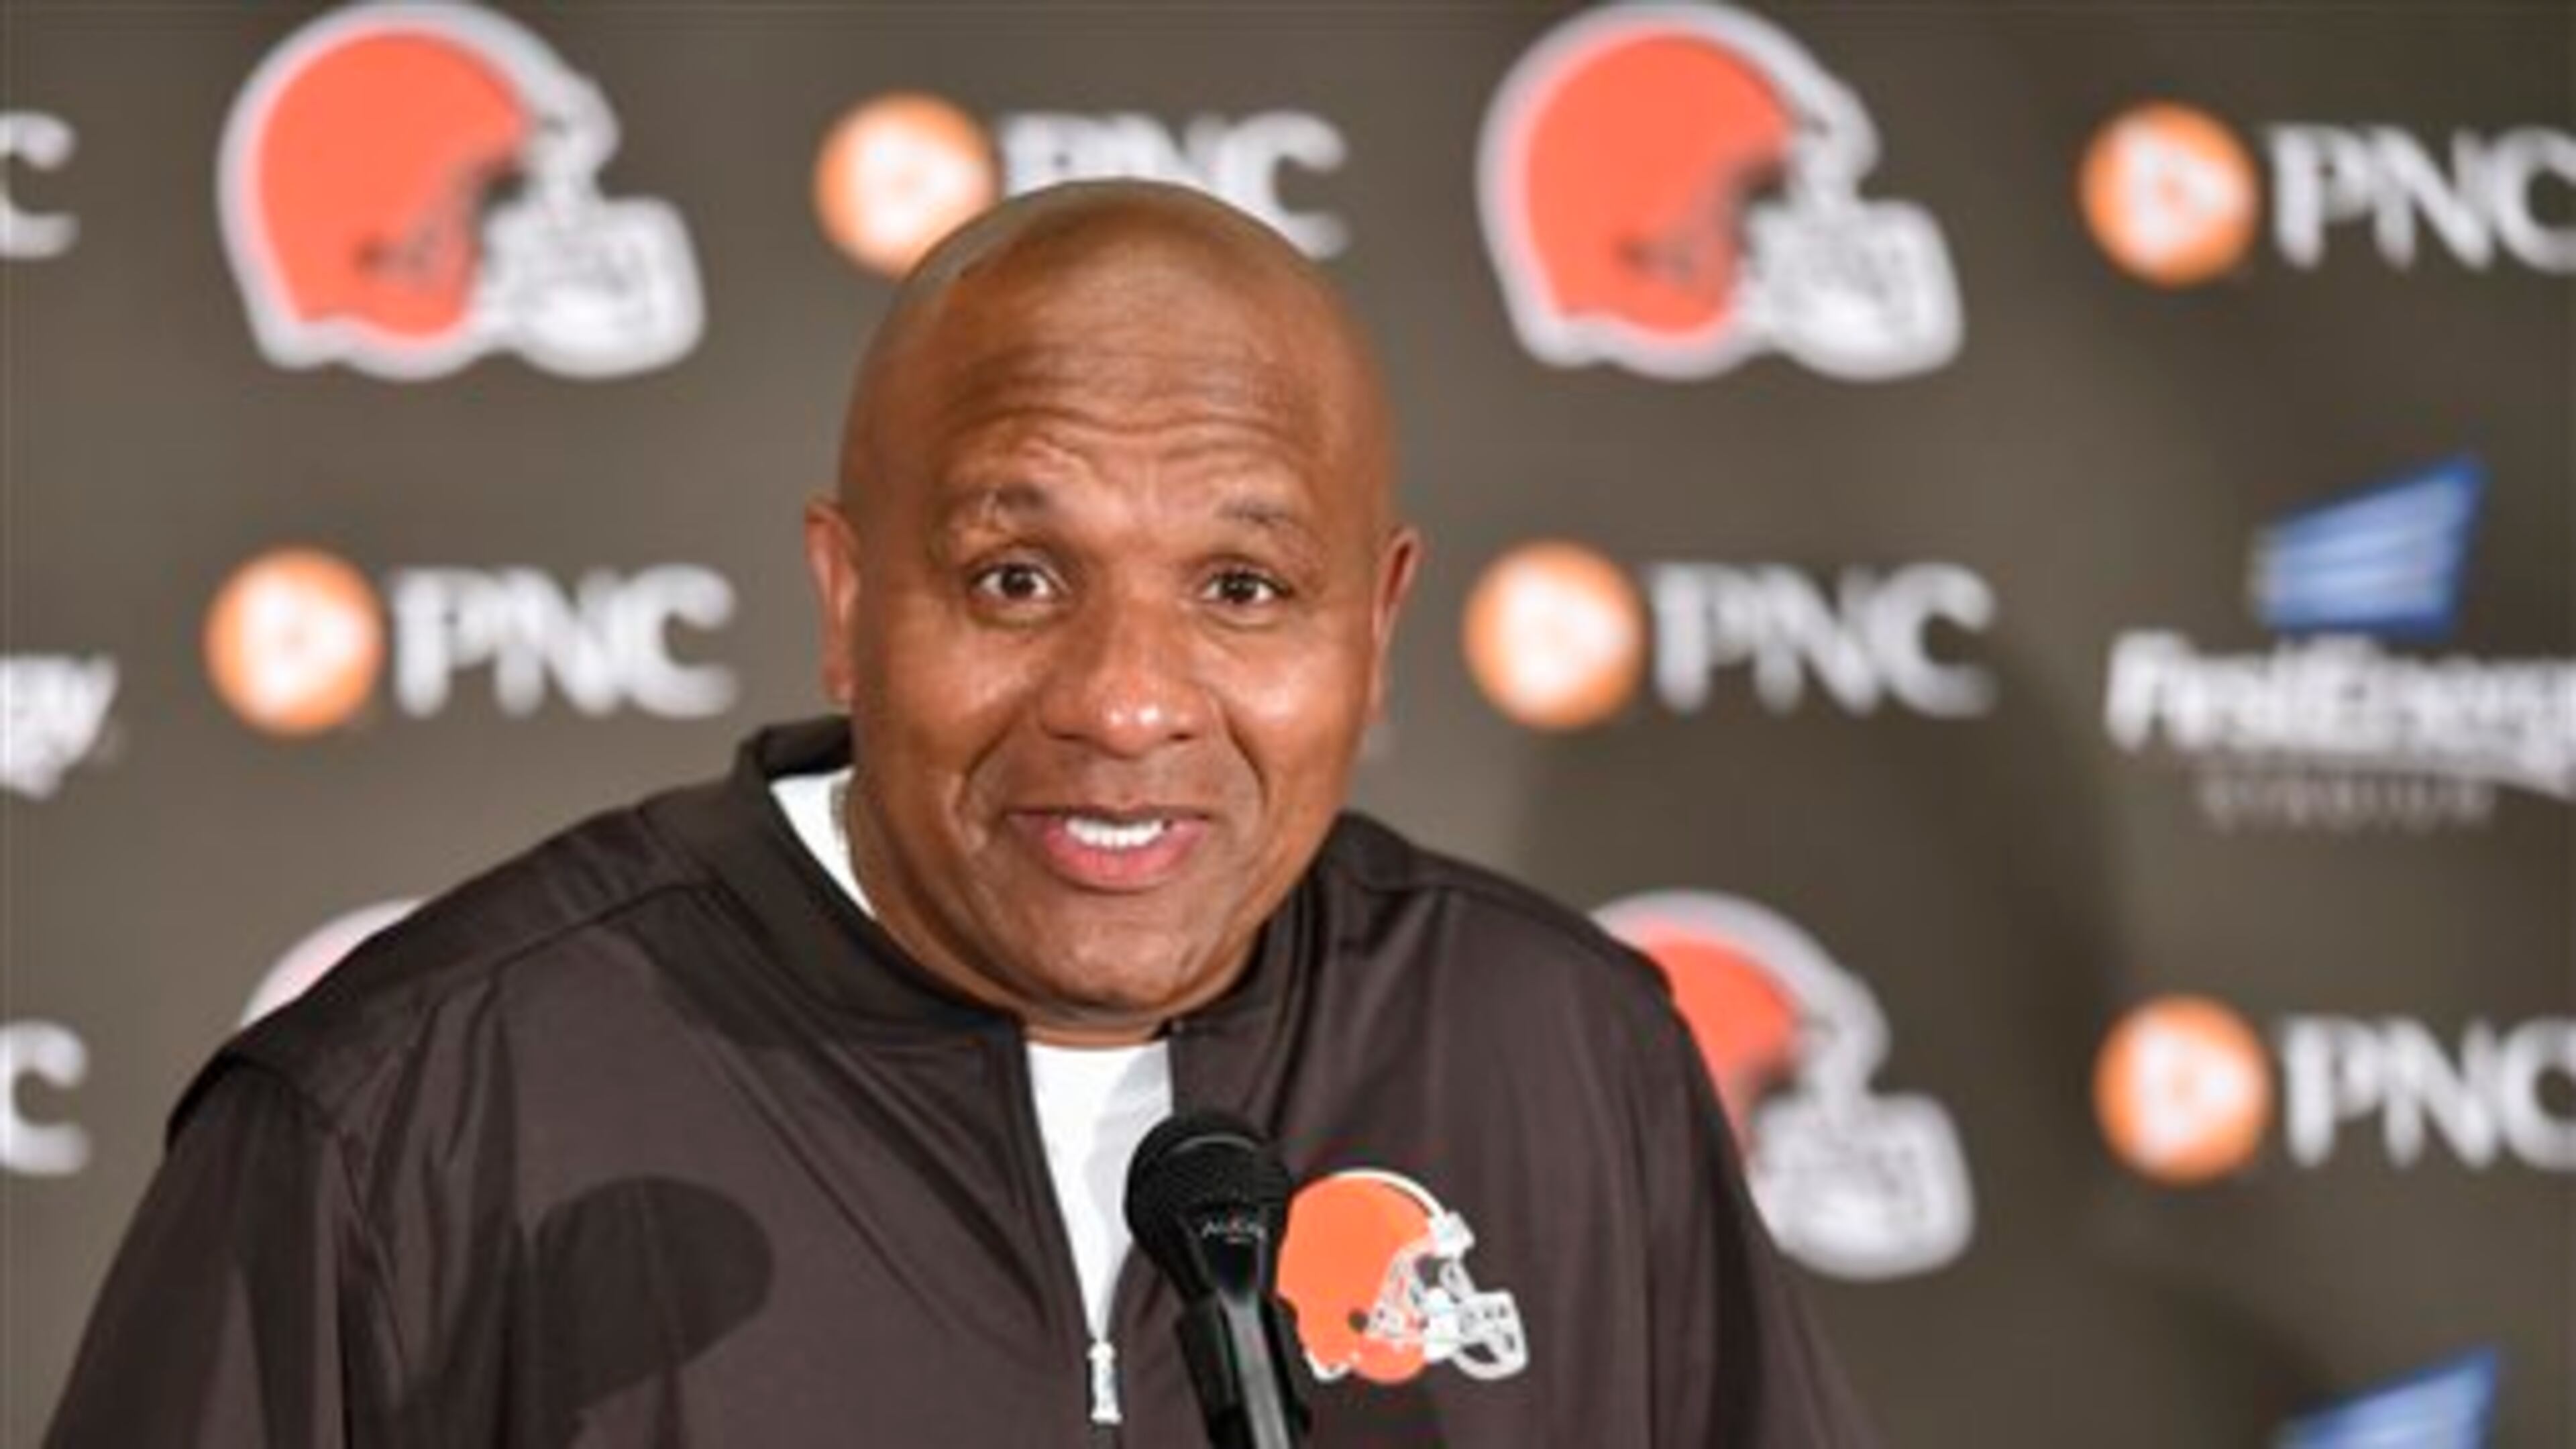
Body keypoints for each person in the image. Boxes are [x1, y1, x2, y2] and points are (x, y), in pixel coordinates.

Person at [50, 181, 1878, 1446]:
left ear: (1377, 628)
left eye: (1243, 589)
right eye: (1016, 580)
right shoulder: (406, 1117)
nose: (1129, 699)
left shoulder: (1568, 1058)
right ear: (851, 604)